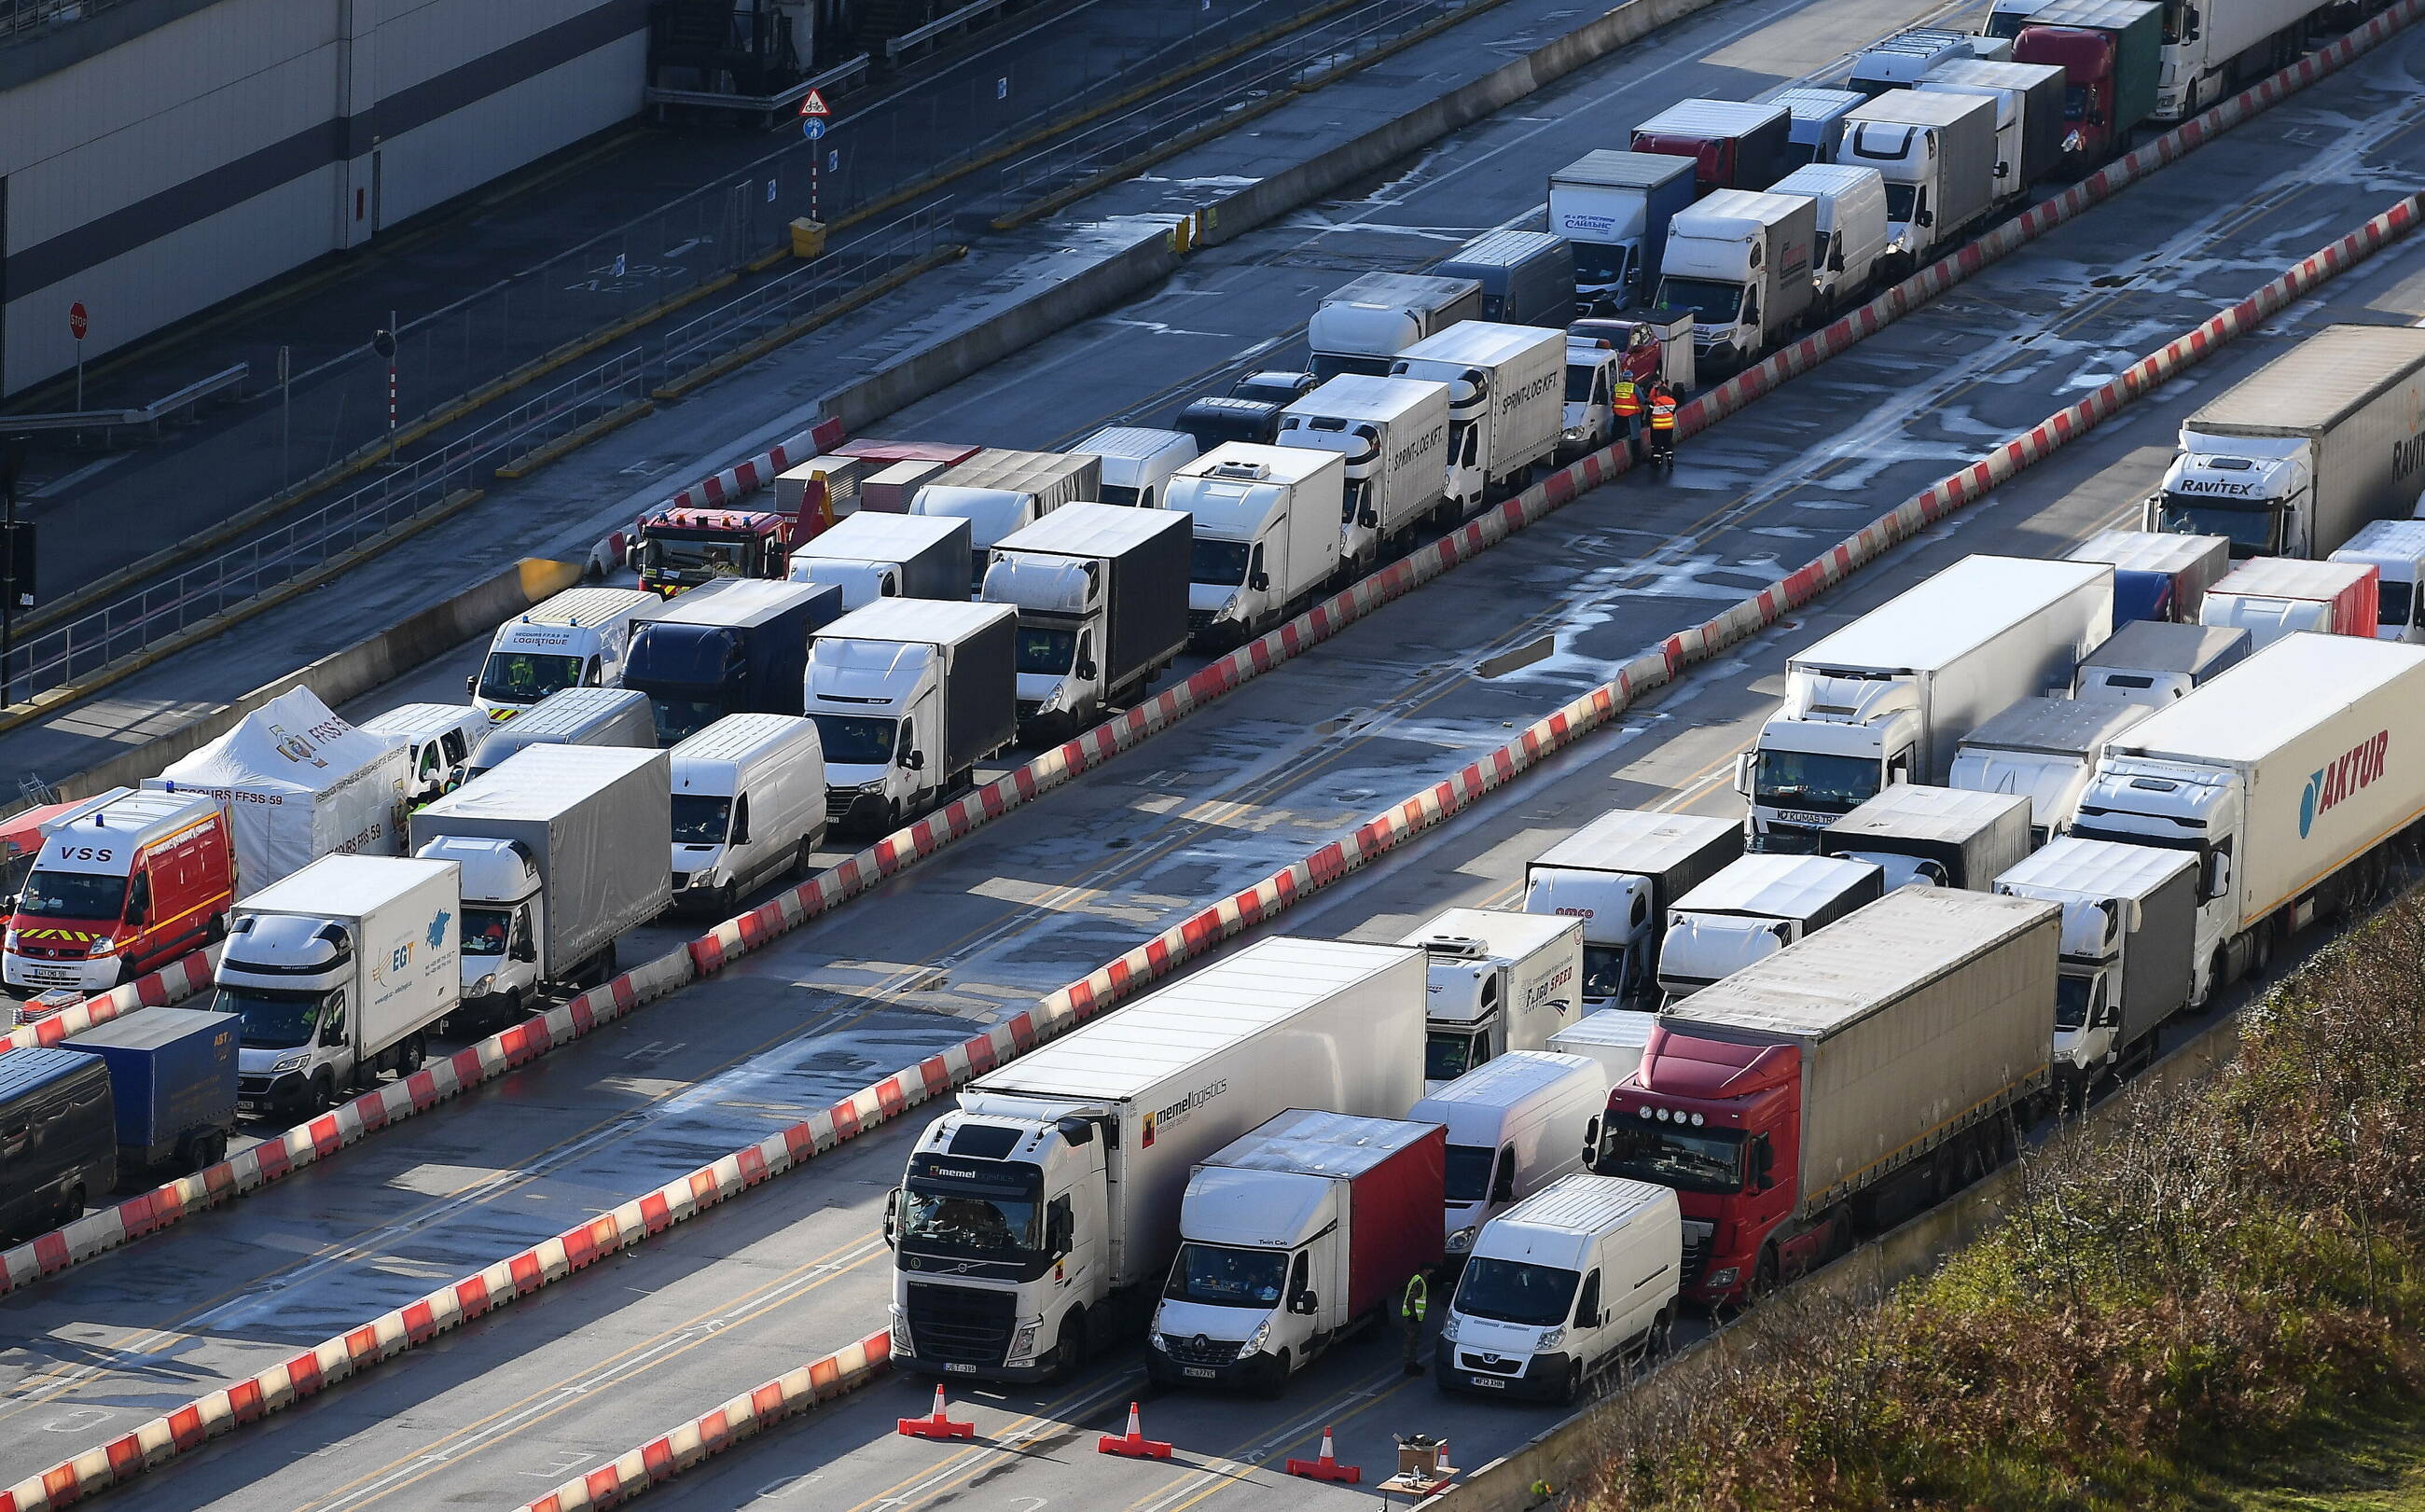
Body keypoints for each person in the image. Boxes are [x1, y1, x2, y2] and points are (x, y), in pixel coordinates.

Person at [1399, 1270, 1429, 1376]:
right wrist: (1413, 1315)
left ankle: (1412, 1363)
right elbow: (1411, 1300)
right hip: (1412, 1318)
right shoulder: (1419, 1282)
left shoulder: (1417, 1279)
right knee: (1411, 1341)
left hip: (1413, 1317)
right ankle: (1409, 1365)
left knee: (1413, 1341)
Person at [1609, 369, 1642, 459]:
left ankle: (1614, 455)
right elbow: (1642, 400)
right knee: (1635, 437)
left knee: (1615, 436)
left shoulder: (1616, 386)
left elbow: (1612, 398)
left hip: (1618, 415)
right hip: (1632, 416)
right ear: (1631, 378)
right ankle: (1637, 458)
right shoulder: (1634, 387)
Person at [1645, 379, 1678, 466]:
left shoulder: (1655, 402)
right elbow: (1673, 412)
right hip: (1668, 426)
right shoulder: (1672, 402)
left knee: (1657, 444)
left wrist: (1647, 422)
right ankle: (1670, 460)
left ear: (1659, 393)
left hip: (1657, 427)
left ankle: (1657, 461)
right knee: (1667, 443)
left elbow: (1649, 413)